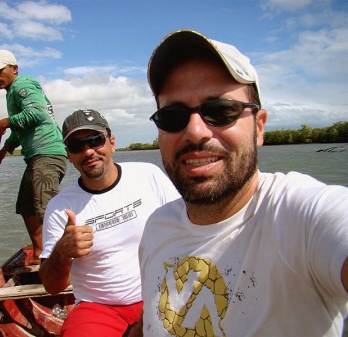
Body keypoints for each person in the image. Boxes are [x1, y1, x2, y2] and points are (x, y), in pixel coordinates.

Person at [137, 29, 348, 337]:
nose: (195, 131)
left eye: (220, 111)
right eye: (173, 116)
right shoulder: (157, 227)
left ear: (259, 127)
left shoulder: (300, 216)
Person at [39, 109, 180, 337]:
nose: (88, 151)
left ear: (111, 143)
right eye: (77, 146)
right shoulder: (59, 207)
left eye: (95, 140)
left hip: (161, 290)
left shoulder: (148, 176)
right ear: (68, 155)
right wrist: (62, 251)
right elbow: (52, 287)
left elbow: (187, 229)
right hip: (98, 307)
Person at [0, 50, 67, 265]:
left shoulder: (22, 86)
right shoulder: (11, 93)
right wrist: (4, 150)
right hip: (36, 157)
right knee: (27, 207)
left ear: (14, 69)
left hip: (47, 153)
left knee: (44, 208)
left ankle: (61, 262)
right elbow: (23, 128)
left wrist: (6, 121)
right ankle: (40, 254)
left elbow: (38, 113)